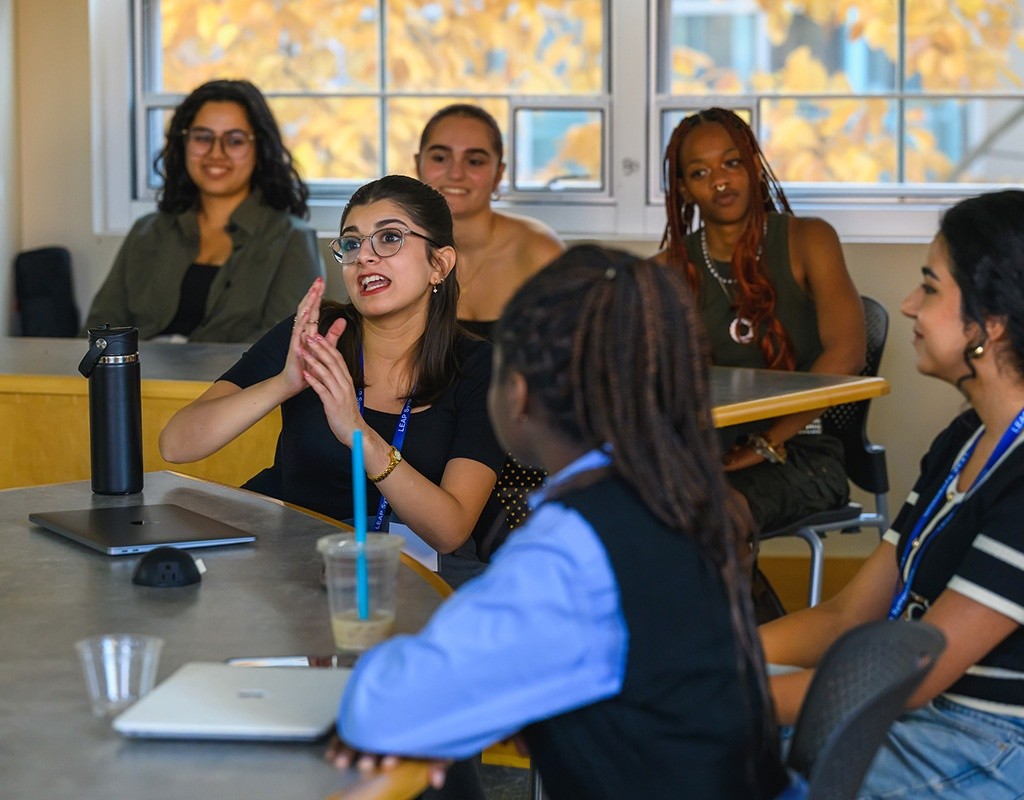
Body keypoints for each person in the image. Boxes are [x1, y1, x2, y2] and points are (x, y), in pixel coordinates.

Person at [330, 246, 797, 800]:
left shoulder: (573, 546)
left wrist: (422, 706)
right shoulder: (681, 493)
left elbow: (380, 710)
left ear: (519, 392)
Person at [762, 189, 1024, 798]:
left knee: (694, 740)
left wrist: (707, 692)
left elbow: (919, 673)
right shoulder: (965, 437)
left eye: (930, 288)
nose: (908, 306)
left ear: (990, 324)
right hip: (917, 715)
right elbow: (848, 616)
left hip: (989, 746)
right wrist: (706, 655)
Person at [159, 175, 504, 585]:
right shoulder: (316, 333)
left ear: (440, 264)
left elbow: (450, 531)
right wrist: (285, 382)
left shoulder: (478, 365)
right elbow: (177, 445)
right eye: (353, 243)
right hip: (296, 558)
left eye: (390, 238)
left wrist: (358, 433)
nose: (365, 257)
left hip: (419, 567)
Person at [659, 107, 865, 536]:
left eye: (732, 163)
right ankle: (750, 606)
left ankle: (739, 605)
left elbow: (848, 354)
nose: (720, 180)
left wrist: (766, 442)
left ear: (754, 165)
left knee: (715, 517)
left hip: (803, 449)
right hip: (705, 450)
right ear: (683, 189)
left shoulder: (809, 240)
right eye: (700, 172)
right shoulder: (667, 271)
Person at [415, 103, 565, 548]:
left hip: (516, 455)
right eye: (440, 157)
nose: (455, 172)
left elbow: (570, 381)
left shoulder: (537, 252)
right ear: (417, 165)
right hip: (420, 447)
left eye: (475, 160)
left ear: (499, 173)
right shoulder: (394, 249)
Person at [85, 79, 324, 342]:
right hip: (137, 380)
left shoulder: (292, 240)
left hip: (237, 383)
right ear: (184, 143)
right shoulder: (146, 232)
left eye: (234, 140)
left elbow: (284, 347)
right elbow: (100, 329)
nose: (215, 153)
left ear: (260, 149)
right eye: (202, 137)